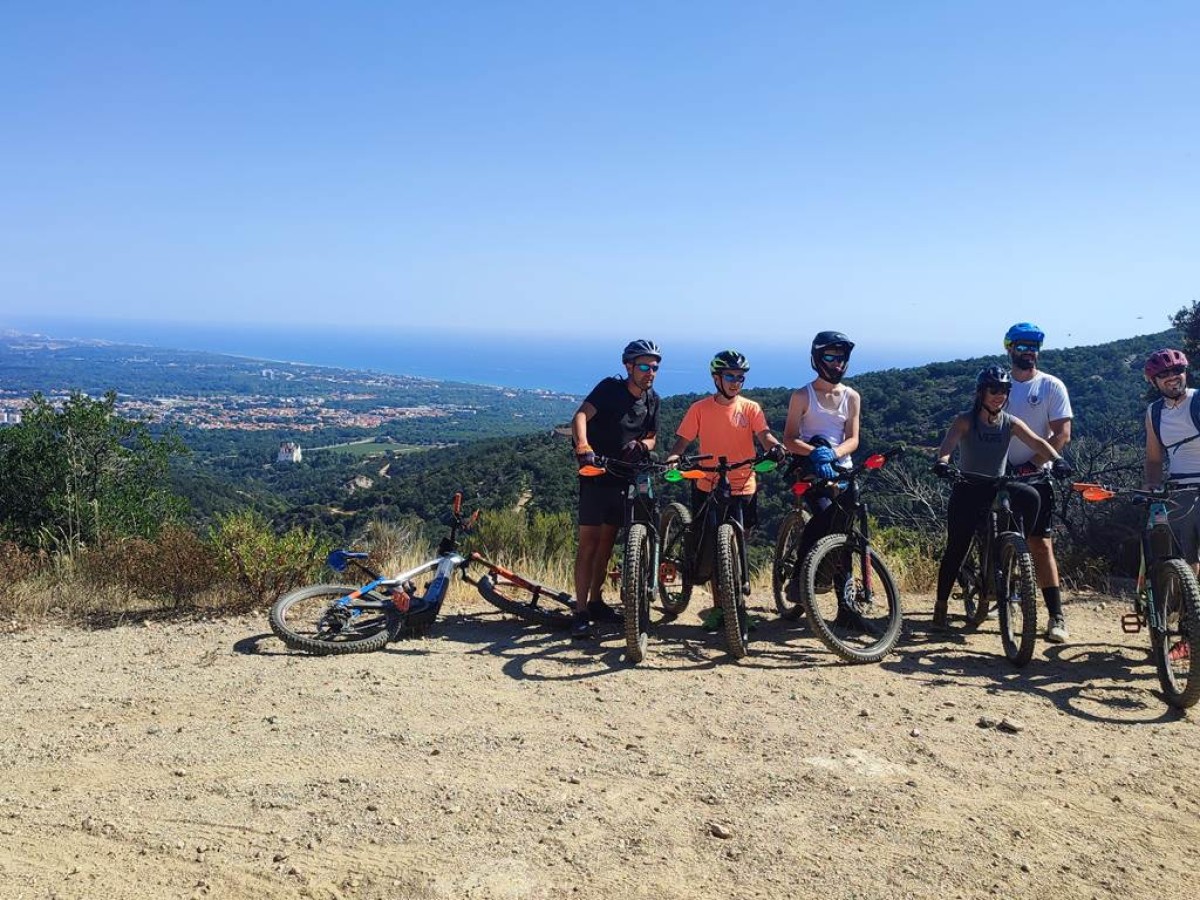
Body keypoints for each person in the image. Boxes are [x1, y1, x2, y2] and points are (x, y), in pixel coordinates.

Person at [932, 365, 1073, 629]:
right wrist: (943, 462)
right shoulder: (965, 420)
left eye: (1004, 390)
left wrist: (1057, 459)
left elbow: (1038, 442)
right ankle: (940, 606)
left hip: (997, 487)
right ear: (981, 393)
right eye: (993, 390)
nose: (999, 395)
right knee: (956, 548)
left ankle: (1013, 548)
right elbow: (947, 447)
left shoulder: (1009, 422)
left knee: (1032, 496)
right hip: (968, 488)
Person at [664, 350, 786, 629]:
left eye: (740, 377)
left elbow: (764, 436)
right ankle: (720, 607)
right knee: (712, 544)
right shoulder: (700, 408)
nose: (736, 382)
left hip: (744, 483)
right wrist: (674, 457)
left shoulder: (751, 408)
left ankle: (738, 607)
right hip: (708, 482)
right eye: (730, 376)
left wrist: (775, 448)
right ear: (716, 378)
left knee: (739, 542)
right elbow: (682, 442)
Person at [570, 339, 662, 639]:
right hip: (596, 472)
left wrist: (641, 445)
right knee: (589, 543)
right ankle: (580, 610)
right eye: (645, 366)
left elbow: (652, 437)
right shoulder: (610, 388)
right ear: (629, 367)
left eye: (655, 367)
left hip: (625, 478)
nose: (651, 372)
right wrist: (583, 445)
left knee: (608, 542)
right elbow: (581, 416)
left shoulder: (652, 400)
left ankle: (596, 602)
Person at [1003, 322, 1074, 643]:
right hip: (998, 474)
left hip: (1036, 477)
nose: (1029, 352)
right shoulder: (999, 384)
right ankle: (998, 596)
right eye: (1022, 346)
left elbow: (1062, 434)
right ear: (1009, 349)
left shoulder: (1050, 386)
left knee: (1040, 544)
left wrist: (1034, 462)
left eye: (1034, 347)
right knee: (993, 536)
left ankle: (1055, 616)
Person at [781, 331, 862, 609]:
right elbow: (789, 439)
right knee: (826, 516)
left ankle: (846, 606)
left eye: (841, 358)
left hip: (842, 470)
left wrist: (835, 454)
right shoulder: (802, 396)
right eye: (831, 357)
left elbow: (853, 439)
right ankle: (798, 577)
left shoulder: (852, 397)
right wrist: (816, 454)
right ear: (817, 358)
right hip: (811, 469)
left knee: (846, 532)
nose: (837, 363)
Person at [1143, 348, 1200, 573]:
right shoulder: (1154, 412)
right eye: (1163, 374)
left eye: (1177, 370)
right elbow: (1154, 459)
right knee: (1187, 561)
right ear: (1154, 381)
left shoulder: (1197, 400)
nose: (1172, 377)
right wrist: (1151, 485)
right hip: (1179, 491)